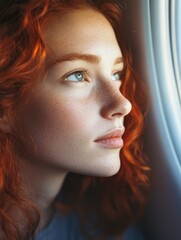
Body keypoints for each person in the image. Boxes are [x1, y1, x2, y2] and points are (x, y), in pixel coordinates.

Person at [0, 0, 150, 239]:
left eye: (116, 74)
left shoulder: (101, 226)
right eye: (77, 75)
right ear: (4, 108)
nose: (123, 104)